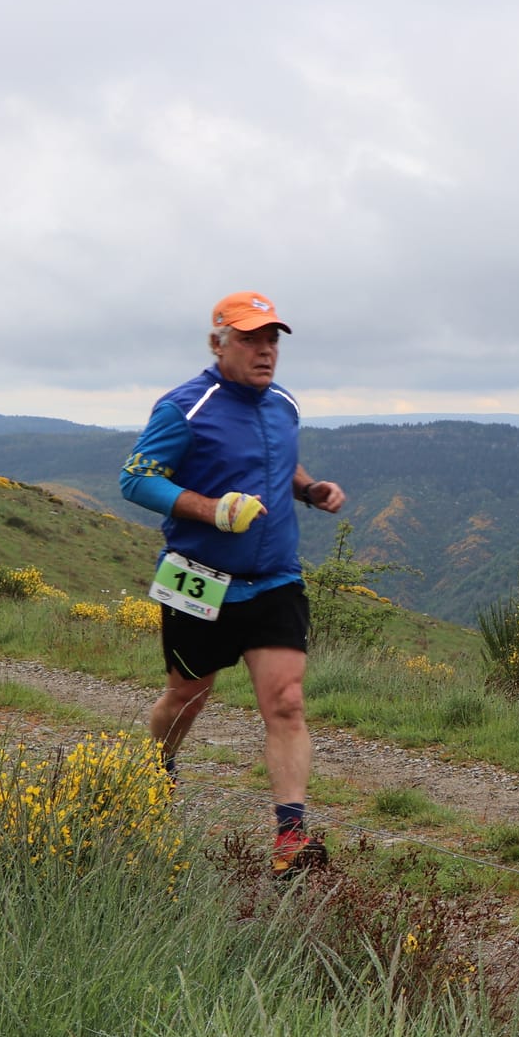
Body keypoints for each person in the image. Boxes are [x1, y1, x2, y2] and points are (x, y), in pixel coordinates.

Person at [119, 291, 345, 877]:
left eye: (271, 339)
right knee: (187, 696)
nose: (265, 350)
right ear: (217, 344)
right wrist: (212, 510)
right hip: (196, 577)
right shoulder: (184, 408)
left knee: (287, 702)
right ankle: (158, 769)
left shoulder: (284, 403)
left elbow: (278, 464)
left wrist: (309, 488)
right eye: (250, 339)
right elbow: (136, 479)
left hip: (275, 578)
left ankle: (290, 839)